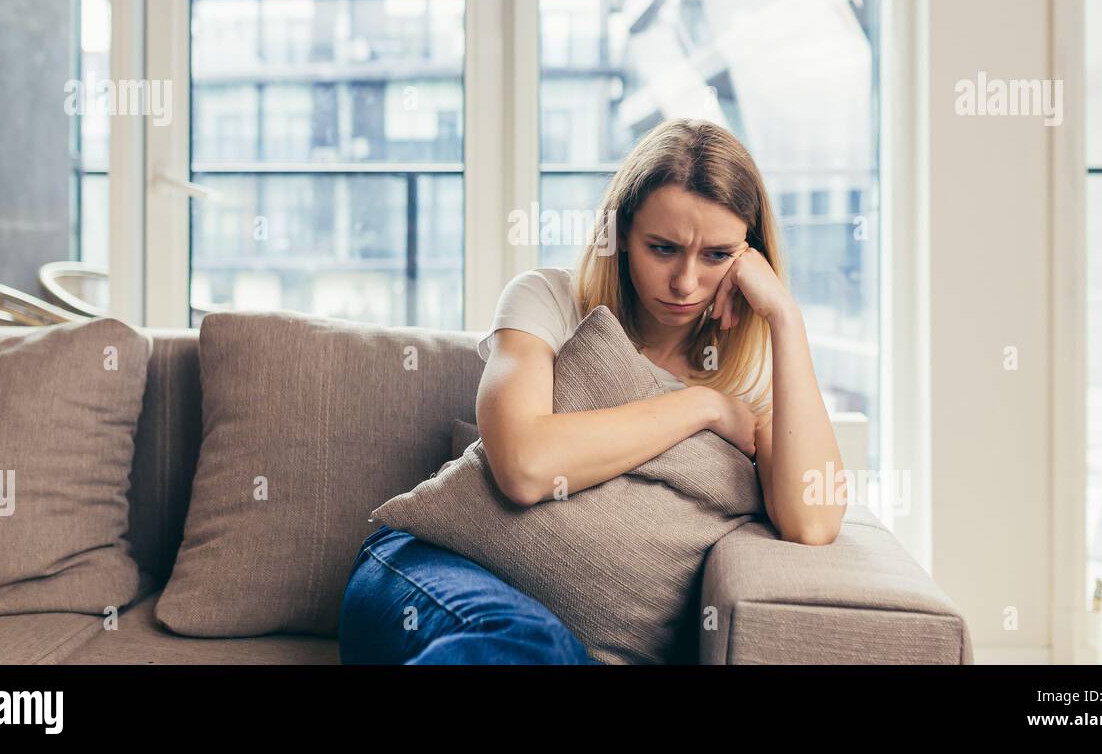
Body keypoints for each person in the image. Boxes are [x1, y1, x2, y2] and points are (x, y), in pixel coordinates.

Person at [338, 118, 845, 665]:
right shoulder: (549, 301)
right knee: (527, 642)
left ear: (751, 256)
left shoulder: (756, 375)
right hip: (428, 570)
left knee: (549, 651)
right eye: (663, 248)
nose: (685, 282)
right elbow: (526, 466)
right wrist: (703, 406)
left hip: (556, 645)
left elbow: (812, 521)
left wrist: (785, 319)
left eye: (718, 256)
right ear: (622, 234)